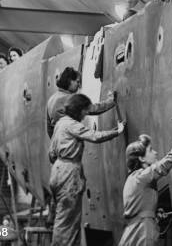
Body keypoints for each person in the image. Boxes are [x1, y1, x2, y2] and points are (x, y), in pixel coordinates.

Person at [49, 94, 125, 246]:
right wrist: (117, 131)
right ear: (79, 110)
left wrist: (110, 101)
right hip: (69, 173)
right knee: (69, 222)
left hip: (57, 169)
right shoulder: (73, 125)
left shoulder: (60, 123)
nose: (85, 115)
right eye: (84, 111)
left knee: (62, 219)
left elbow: (51, 154)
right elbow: (95, 136)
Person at [118, 110, 172, 246]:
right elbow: (171, 158)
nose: (155, 152)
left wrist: (152, 215)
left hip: (133, 233)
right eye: (151, 150)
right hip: (142, 233)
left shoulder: (132, 179)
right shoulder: (142, 177)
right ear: (141, 158)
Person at [46, 66, 117, 138]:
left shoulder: (52, 99)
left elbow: (49, 128)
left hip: (59, 141)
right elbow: (93, 109)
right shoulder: (68, 98)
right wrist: (111, 101)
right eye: (77, 82)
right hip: (68, 141)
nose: (79, 85)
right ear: (70, 81)